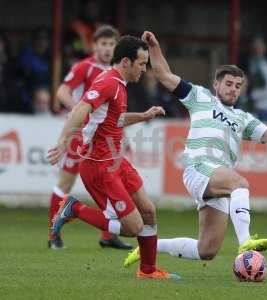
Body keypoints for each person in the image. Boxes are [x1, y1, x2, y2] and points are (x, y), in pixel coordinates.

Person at [124, 31, 267, 266]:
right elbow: (163, 74)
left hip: (218, 176)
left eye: (238, 86)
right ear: (216, 84)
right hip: (198, 168)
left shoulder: (243, 118)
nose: (233, 89)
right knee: (240, 183)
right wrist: (155, 47)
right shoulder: (200, 97)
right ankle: (246, 241)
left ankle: (149, 247)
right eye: (228, 83)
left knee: (206, 250)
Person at [48, 35, 179, 280]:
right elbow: (80, 109)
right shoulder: (108, 82)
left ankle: (148, 271)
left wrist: (143, 115)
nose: (144, 69)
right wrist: (63, 141)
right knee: (133, 227)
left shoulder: (119, 84)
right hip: (99, 167)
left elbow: (115, 120)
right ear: (127, 61)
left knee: (149, 211)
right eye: (141, 63)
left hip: (116, 160)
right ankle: (74, 208)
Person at [47, 25, 132, 250]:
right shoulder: (85, 67)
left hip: (104, 139)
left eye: (111, 44)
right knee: (66, 182)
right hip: (80, 136)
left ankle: (108, 236)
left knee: (110, 184)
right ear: (94, 46)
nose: (107, 48)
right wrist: (80, 109)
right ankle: (53, 233)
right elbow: (62, 92)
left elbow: (116, 113)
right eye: (102, 44)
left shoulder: (118, 73)